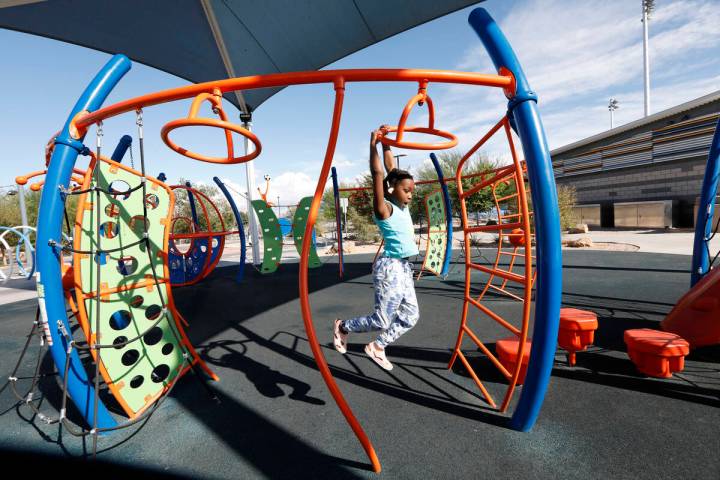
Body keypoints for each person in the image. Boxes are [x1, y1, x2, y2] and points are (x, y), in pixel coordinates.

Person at [333, 127, 419, 371]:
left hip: (404, 267)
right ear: (392, 189)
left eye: (412, 190)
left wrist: (386, 142)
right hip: (390, 266)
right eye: (407, 190)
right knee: (382, 319)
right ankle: (343, 326)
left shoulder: (403, 205)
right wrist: (373, 143)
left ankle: (377, 346)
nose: (411, 195)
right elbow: (379, 172)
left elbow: (392, 169)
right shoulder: (385, 209)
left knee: (411, 316)